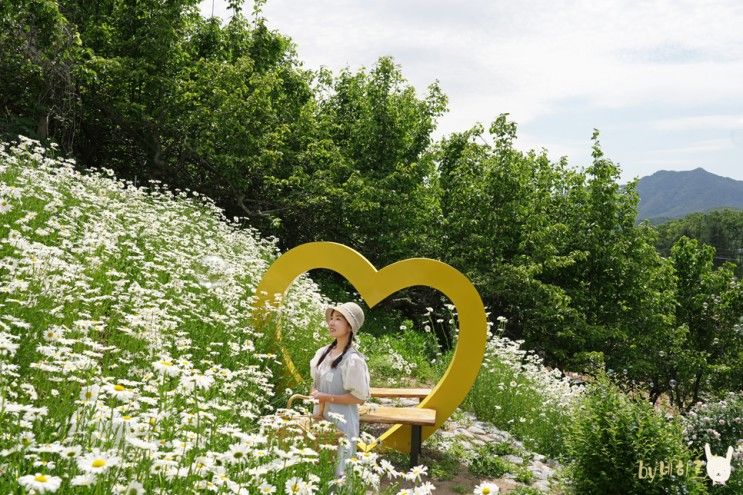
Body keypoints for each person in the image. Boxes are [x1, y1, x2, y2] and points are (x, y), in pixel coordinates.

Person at [309, 301, 371, 479]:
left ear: (350, 326)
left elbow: (359, 398)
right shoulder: (323, 353)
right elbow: (315, 382)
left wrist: (326, 397)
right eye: (331, 318)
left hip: (342, 422)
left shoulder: (353, 360)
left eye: (338, 319)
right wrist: (315, 395)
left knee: (339, 471)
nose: (332, 323)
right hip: (320, 418)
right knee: (318, 470)